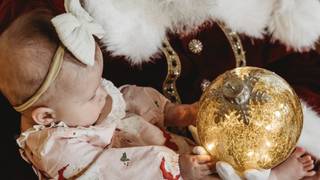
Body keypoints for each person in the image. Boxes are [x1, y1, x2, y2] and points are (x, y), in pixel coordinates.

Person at [0, 1, 319, 179]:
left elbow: (124, 97)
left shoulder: (78, 102)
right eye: (92, 93)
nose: (103, 92)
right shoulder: (59, 148)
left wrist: (171, 112)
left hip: (189, 150)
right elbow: (116, 169)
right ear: (45, 116)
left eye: (99, 83)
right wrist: (176, 167)